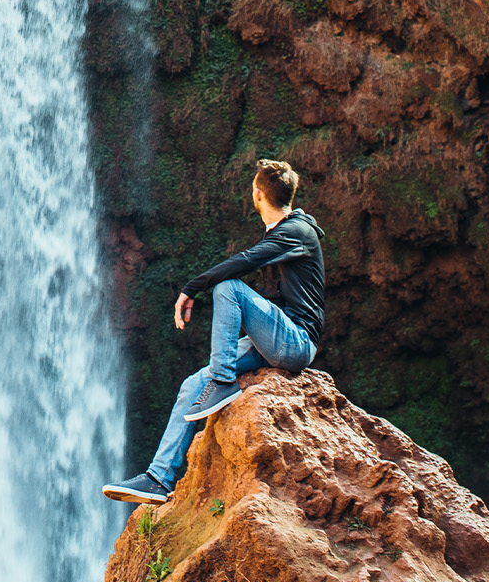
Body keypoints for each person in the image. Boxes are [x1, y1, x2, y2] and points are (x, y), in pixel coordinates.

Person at [101, 159, 325, 506]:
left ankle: (222, 382)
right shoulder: (282, 234)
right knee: (192, 386)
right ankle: (159, 478)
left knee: (228, 288)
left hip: (296, 341)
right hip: (273, 340)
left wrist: (193, 287)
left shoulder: (297, 231)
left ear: (258, 194)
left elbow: (246, 261)